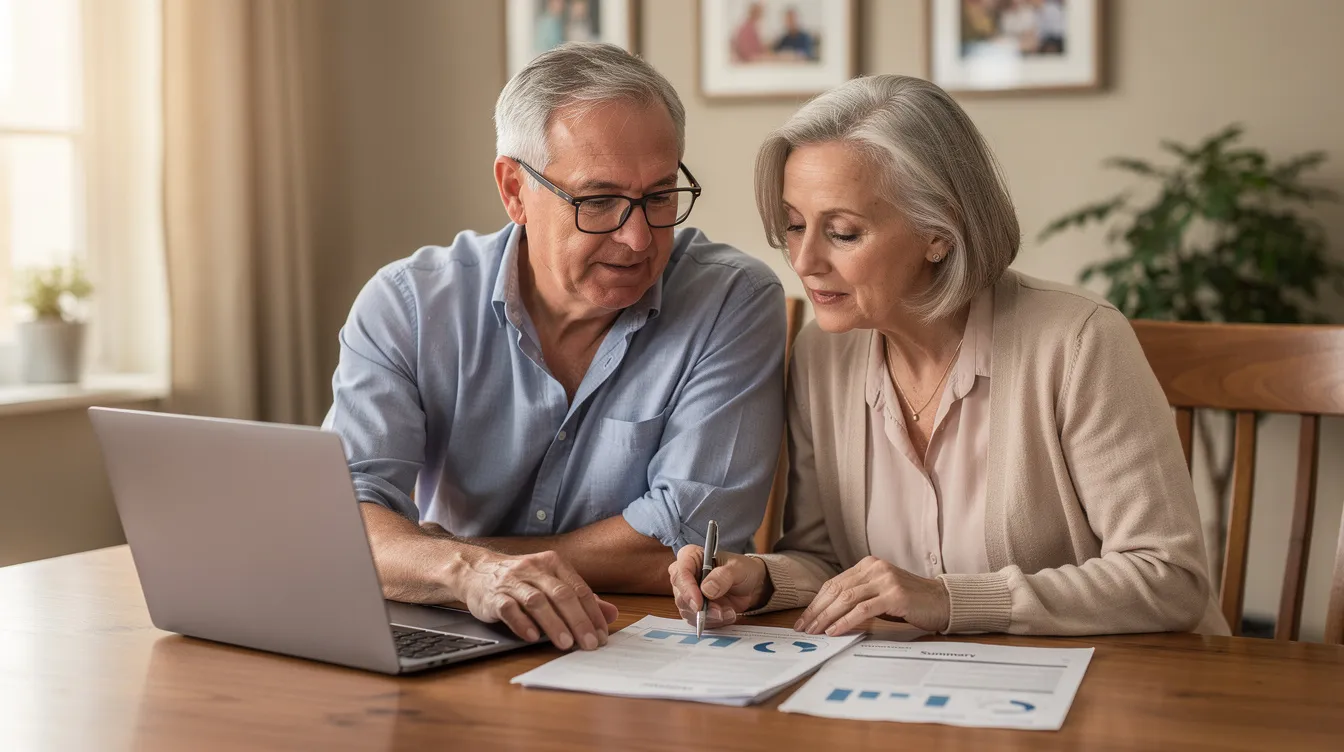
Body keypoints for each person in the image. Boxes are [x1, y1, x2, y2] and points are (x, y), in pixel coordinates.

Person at [669, 74, 1228, 638]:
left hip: (1122, 691)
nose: (804, 259)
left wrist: (948, 599)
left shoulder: (1079, 341)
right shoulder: (821, 355)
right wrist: (761, 579)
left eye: (841, 232)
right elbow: (827, 562)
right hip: (930, 696)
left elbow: (1170, 579)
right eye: (793, 225)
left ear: (939, 233)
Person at [325, 43, 786, 652]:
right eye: (597, 201)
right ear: (515, 190)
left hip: (650, 642)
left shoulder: (733, 299)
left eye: (659, 195)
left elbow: (685, 542)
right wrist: (468, 575)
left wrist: (444, 557)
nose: (638, 237)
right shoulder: (409, 305)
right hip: (464, 633)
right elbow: (345, 518)